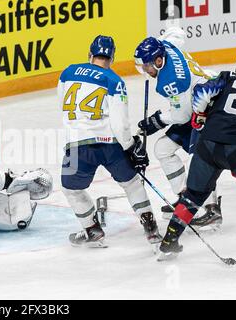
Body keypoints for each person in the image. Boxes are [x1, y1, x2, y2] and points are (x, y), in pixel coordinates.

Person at [60, 35, 162, 248]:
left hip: (78, 144)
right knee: (132, 183)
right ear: (112, 57)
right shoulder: (114, 81)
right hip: (109, 144)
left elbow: (63, 104)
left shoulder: (67, 72)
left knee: (71, 189)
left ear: (90, 54)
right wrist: (132, 146)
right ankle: (151, 229)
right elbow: (120, 124)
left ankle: (92, 230)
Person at [157, 52, 236, 261]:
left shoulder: (226, 77)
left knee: (193, 196)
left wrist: (199, 115)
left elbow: (201, 91)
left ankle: (169, 240)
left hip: (207, 144)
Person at [134, 27, 222, 228]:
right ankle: (186, 199)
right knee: (162, 149)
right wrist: (159, 39)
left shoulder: (172, 80)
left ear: (158, 61)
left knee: (200, 158)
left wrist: (156, 121)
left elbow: (181, 115)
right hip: (198, 100)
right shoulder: (166, 45)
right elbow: (177, 32)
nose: (146, 71)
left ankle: (212, 209)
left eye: (147, 66)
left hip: (208, 106)